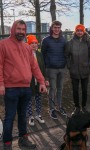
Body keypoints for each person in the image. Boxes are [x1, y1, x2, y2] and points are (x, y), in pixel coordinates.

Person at [0, 20, 47, 150]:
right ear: (13, 29)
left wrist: (42, 82)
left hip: (26, 88)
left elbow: (34, 66)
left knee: (23, 115)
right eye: (18, 29)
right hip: (11, 88)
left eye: (23, 29)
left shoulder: (27, 47)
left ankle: (23, 139)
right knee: (9, 116)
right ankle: (7, 143)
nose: (21, 31)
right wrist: (1, 84)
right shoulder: (3, 45)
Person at [65, 24, 90, 115]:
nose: (79, 32)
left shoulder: (88, 42)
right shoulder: (71, 42)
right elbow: (67, 55)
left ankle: (84, 106)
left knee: (85, 90)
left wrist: (89, 65)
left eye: (81, 31)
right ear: (75, 31)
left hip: (85, 70)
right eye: (78, 31)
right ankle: (77, 107)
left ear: (83, 31)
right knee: (75, 90)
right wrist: (70, 66)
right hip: (74, 71)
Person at [41, 20, 67, 120]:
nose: (56, 29)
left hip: (61, 68)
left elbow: (66, 53)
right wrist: (44, 71)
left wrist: (65, 65)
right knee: (52, 89)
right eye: (55, 27)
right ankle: (51, 108)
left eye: (58, 28)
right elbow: (43, 56)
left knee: (60, 89)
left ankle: (59, 106)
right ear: (52, 28)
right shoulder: (46, 40)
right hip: (51, 69)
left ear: (60, 29)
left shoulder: (63, 40)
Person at [26, 35, 49, 126]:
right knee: (29, 99)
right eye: (32, 43)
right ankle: (30, 116)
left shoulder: (39, 54)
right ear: (28, 44)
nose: (34, 45)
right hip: (29, 81)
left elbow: (43, 67)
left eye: (36, 43)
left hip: (39, 81)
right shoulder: (26, 54)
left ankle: (38, 114)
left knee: (38, 97)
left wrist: (45, 79)